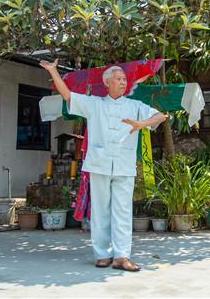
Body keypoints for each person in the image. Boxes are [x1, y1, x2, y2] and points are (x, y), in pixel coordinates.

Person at [40, 59, 166, 272]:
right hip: (99, 164)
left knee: (123, 211)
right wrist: (53, 71)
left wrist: (141, 124)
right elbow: (68, 95)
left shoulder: (134, 106)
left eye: (125, 79)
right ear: (107, 82)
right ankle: (102, 255)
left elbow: (160, 116)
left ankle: (122, 256)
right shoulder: (94, 104)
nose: (123, 82)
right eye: (118, 79)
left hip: (124, 165)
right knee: (100, 211)